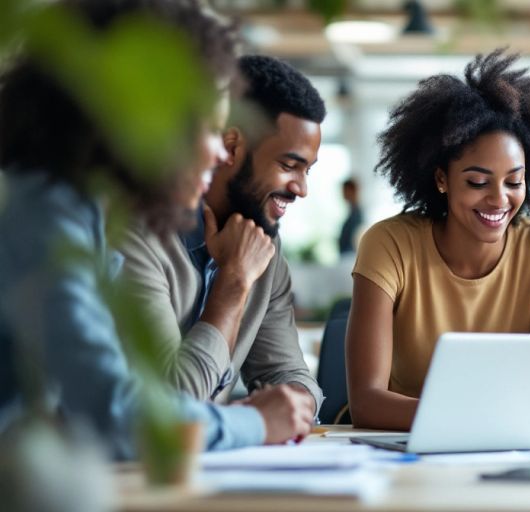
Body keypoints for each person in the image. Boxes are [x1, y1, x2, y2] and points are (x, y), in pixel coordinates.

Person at [0, 0, 311, 459]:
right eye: (206, 129)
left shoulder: (79, 217)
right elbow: (118, 417)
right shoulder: (45, 218)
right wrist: (256, 421)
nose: (219, 154)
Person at [346, 50, 530, 434]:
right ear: (441, 179)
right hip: (400, 447)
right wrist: (486, 418)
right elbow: (367, 403)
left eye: (514, 181)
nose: (498, 199)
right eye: (477, 182)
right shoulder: (388, 245)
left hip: (500, 446)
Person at [117, 55, 325, 417]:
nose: (301, 188)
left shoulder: (264, 245)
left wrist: (294, 406)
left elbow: (288, 374)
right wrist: (233, 282)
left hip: (211, 462)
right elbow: (170, 408)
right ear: (230, 147)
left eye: (307, 170)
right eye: (289, 166)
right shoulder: (137, 237)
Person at [338, 178, 363, 254]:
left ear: (352, 191)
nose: (342, 194)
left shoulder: (358, 215)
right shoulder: (352, 213)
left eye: (344, 191)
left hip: (350, 257)